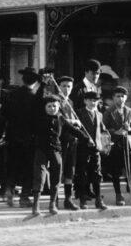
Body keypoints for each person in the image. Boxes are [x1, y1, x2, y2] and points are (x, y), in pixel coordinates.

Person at [30, 94, 92, 216]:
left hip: (55, 149)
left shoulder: (60, 118)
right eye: (49, 106)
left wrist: (87, 139)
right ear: (44, 107)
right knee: (40, 175)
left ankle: (52, 204)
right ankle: (35, 205)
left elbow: (73, 130)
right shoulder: (38, 118)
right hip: (41, 149)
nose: (52, 108)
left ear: (58, 107)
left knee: (57, 173)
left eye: (54, 106)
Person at [3, 67, 44, 206]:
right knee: (28, 168)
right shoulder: (34, 97)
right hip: (29, 137)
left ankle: (9, 189)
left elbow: (4, 114)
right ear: (35, 82)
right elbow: (38, 118)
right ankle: (24, 197)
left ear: (22, 79)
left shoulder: (11, 94)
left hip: (12, 135)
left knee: (12, 165)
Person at [103, 86, 131, 207]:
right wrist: (114, 132)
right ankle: (119, 195)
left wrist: (130, 129)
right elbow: (104, 128)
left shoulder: (129, 111)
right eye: (117, 96)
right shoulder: (108, 111)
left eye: (122, 96)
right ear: (113, 98)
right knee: (116, 171)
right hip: (114, 145)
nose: (120, 99)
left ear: (126, 98)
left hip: (128, 144)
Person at [54, 75, 87, 210]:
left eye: (69, 86)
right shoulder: (56, 102)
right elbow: (61, 120)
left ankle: (68, 199)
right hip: (60, 140)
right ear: (59, 87)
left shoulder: (71, 103)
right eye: (63, 86)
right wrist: (75, 122)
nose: (66, 89)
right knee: (58, 170)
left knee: (70, 171)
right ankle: (54, 199)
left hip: (72, 140)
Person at [74, 90, 108, 210]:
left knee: (96, 174)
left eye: (95, 100)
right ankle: (83, 200)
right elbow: (76, 130)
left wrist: (106, 141)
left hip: (96, 149)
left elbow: (102, 129)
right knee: (82, 174)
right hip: (83, 148)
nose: (92, 103)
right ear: (85, 101)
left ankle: (98, 200)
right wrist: (84, 139)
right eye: (90, 100)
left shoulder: (99, 114)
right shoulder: (78, 113)